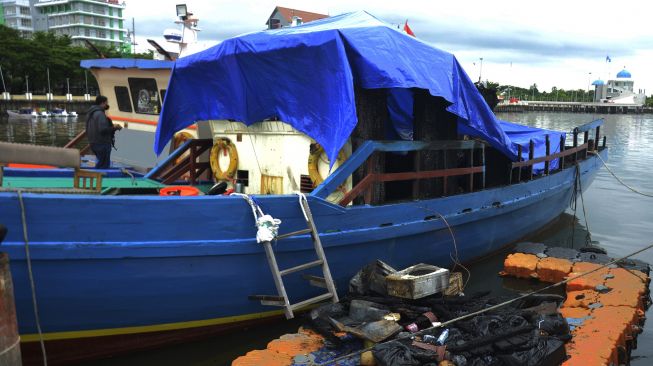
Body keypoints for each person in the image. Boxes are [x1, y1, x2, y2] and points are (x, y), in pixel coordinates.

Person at [86, 96, 122, 169]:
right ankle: (101, 178)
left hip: (93, 143)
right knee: (104, 166)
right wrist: (114, 128)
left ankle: (97, 177)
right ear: (102, 103)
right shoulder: (100, 114)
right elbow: (103, 130)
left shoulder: (90, 113)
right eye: (106, 103)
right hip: (102, 144)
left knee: (100, 163)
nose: (107, 105)